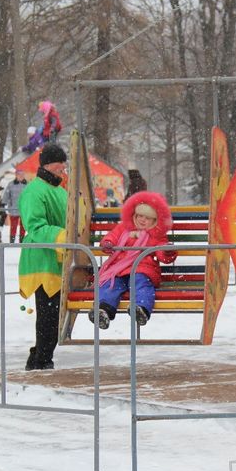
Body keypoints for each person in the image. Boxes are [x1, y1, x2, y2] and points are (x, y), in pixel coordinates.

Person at [89, 191, 179, 329]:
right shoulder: (124, 228)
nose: (143, 220)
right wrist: (108, 243)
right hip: (118, 269)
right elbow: (112, 236)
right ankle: (104, 309)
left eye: (147, 218)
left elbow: (162, 254)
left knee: (141, 284)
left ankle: (141, 308)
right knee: (111, 285)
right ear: (134, 215)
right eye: (140, 216)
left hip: (142, 269)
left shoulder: (156, 236)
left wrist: (167, 251)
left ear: (155, 220)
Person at [18, 144, 69, 371]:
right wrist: (63, 236)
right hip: (42, 259)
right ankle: (41, 359)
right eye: (60, 165)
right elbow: (35, 227)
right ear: (48, 165)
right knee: (49, 314)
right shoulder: (34, 191)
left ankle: (40, 356)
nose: (63, 170)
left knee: (56, 314)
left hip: (59, 258)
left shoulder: (60, 190)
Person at [2, 169, 28, 243]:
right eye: (19, 174)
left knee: (23, 225)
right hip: (13, 208)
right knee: (13, 226)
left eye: (22, 174)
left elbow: (30, 195)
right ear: (16, 175)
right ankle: (12, 239)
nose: (21, 176)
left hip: (24, 209)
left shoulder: (27, 184)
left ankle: (22, 239)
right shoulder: (11, 184)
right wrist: (3, 203)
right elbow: (6, 195)